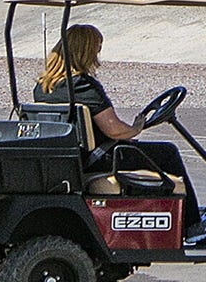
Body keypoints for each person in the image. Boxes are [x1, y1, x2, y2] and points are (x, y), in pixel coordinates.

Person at [29, 25, 181, 183]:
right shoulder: (83, 86)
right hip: (97, 158)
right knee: (168, 152)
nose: (97, 54)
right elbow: (114, 130)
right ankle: (188, 207)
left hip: (67, 158)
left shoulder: (42, 87)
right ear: (85, 52)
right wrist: (136, 128)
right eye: (96, 49)